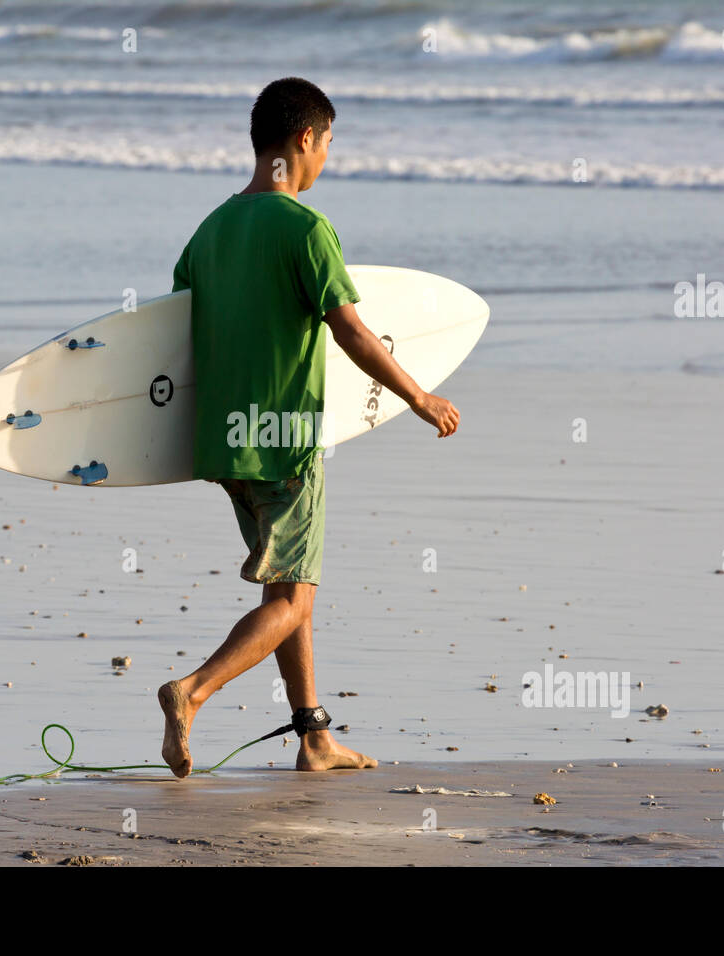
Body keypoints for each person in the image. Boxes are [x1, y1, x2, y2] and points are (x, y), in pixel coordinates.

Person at [159, 77, 459, 777]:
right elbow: (350, 329)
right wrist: (417, 396)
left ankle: (314, 737)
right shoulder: (306, 230)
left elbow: (173, 330)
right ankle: (191, 690)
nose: (327, 158)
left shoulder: (209, 230)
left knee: (290, 592)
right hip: (285, 439)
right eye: (328, 144)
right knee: (295, 595)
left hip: (225, 442)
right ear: (304, 140)